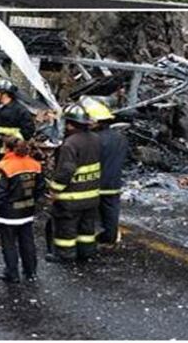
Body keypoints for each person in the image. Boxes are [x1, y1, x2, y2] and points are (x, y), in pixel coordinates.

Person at [47, 103, 101, 262]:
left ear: (70, 124)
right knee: (86, 229)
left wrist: (54, 189)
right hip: (91, 195)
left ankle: (66, 255)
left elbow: (66, 170)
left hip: (72, 198)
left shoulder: (70, 144)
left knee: (66, 228)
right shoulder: (96, 139)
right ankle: (86, 253)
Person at [0, 137, 44, 283]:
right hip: (27, 210)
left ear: (7, 148)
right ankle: (31, 272)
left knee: (9, 243)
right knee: (27, 241)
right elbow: (40, 188)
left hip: (8, 213)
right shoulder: (34, 164)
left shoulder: (4, 166)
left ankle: (12, 273)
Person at [84, 98, 128, 244]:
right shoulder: (121, 138)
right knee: (111, 211)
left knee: (90, 213)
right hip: (114, 182)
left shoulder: (94, 139)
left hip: (95, 182)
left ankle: (89, 240)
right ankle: (110, 236)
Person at [0, 81, 36, 190]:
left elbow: (29, 130)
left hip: (10, 151)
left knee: (6, 177)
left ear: (5, 94)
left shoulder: (20, 110)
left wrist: (13, 140)